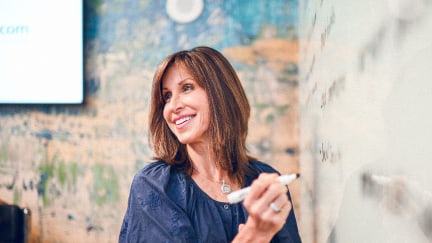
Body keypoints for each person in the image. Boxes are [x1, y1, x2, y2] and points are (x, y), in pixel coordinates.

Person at [119, 46, 301, 243]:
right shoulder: (155, 185)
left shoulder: (264, 180)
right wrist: (255, 235)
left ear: (220, 93)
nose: (173, 106)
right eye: (167, 97)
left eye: (187, 88)